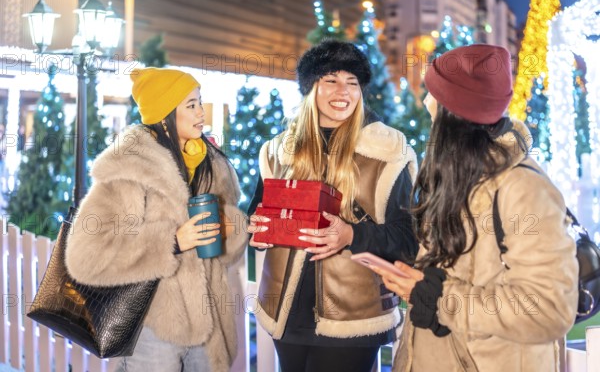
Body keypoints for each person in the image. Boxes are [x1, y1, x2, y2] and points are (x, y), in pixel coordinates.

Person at [369, 44, 579, 372]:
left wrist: (438, 299)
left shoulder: (523, 187)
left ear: (456, 114)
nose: (426, 103)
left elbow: (549, 308)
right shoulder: (458, 176)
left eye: (433, 95)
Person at [246, 39, 419, 372]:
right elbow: (256, 211)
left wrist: (351, 235)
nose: (344, 91)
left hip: (353, 318)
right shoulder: (279, 150)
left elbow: (409, 238)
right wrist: (258, 231)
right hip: (286, 316)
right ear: (311, 87)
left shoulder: (388, 153)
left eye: (352, 82)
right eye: (332, 80)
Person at [65, 68, 247, 372]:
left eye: (201, 103)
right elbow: (85, 257)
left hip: (210, 324)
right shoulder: (130, 169)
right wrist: (173, 241)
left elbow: (228, 252)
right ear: (164, 115)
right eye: (191, 105)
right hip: (152, 326)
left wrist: (232, 229)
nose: (202, 113)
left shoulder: (213, 165)